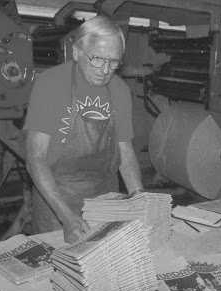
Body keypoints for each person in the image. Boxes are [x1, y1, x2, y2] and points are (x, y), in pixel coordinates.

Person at [23, 16, 143, 243]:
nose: (106, 70)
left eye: (114, 62)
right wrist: (66, 217)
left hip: (105, 198)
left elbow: (125, 154)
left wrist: (139, 199)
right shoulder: (50, 84)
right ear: (77, 53)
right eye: (97, 59)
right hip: (57, 200)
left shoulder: (120, 90)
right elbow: (35, 159)